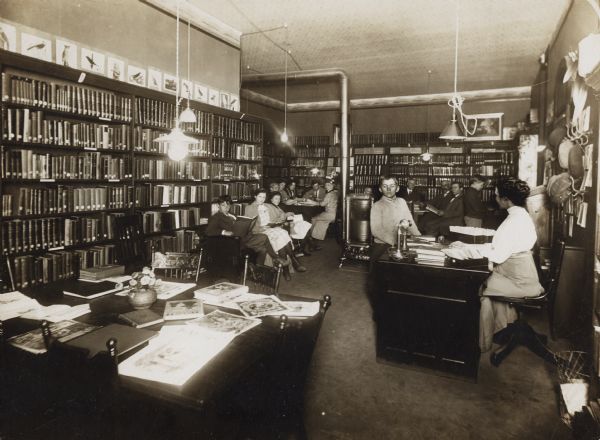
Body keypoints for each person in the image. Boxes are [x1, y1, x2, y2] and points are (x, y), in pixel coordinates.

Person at [477, 178, 544, 352]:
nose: (496, 198)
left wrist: (475, 251)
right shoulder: (521, 215)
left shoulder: (512, 222)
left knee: (480, 286)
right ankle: (503, 329)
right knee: (490, 280)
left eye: (498, 196)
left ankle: (485, 341)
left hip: (520, 283)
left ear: (507, 199)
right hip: (526, 277)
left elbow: (498, 255)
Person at [245, 188, 306, 280]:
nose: (262, 199)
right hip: (259, 232)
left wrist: (280, 219)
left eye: (264, 197)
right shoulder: (250, 208)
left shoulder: (266, 205)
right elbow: (249, 225)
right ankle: (292, 264)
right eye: (260, 197)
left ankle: (287, 267)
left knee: (282, 233)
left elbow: (280, 213)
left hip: (269, 228)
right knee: (280, 236)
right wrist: (263, 228)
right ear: (255, 196)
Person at [206, 196, 283, 266]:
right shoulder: (216, 217)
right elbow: (209, 231)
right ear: (218, 206)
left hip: (244, 237)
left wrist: (248, 225)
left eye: (228, 205)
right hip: (235, 242)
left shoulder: (232, 214)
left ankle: (259, 271)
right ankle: (277, 258)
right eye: (223, 205)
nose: (226, 207)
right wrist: (223, 232)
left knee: (263, 249)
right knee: (264, 237)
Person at [370, 176, 421, 264]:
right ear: (380, 189)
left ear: (397, 188)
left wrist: (419, 238)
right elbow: (376, 231)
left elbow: (410, 222)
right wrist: (397, 243)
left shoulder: (402, 201)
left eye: (392, 186)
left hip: (401, 244)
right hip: (383, 245)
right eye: (385, 186)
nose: (388, 189)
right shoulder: (377, 205)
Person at [304, 179, 338, 250]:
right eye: (326, 185)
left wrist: (313, 202)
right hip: (334, 214)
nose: (327, 186)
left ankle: (309, 238)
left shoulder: (329, 194)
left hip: (329, 214)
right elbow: (327, 201)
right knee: (320, 223)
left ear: (332, 186)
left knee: (313, 219)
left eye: (329, 185)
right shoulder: (334, 193)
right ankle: (314, 244)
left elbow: (322, 204)